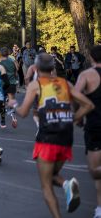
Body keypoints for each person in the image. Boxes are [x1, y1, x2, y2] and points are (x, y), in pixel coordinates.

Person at [9, 53, 94, 217]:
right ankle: (67, 184)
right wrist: (72, 118)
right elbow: (88, 105)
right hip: (66, 137)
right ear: (53, 67)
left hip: (47, 138)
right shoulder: (65, 83)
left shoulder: (36, 85)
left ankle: (63, 198)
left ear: (37, 68)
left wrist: (14, 104)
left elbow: (24, 112)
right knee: (53, 175)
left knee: (46, 184)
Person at [75, 45, 101, 218]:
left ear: (91, 57)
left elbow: (74, 95)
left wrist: (77, 116)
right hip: (95, 126)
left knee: (95, 170)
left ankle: (100, 208)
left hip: (95, 126)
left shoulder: (87, 75)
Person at [0, 47, 19, 129]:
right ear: (8, 53)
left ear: (0, 53)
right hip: (12, 83)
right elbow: (16, 70)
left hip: (3, 84)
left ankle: (3, 122)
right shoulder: (12, 61)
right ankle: (13, 116)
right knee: (11, 100)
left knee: (2, 103)